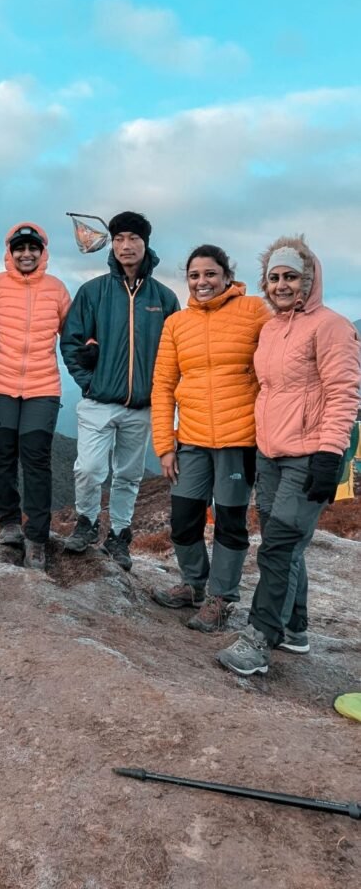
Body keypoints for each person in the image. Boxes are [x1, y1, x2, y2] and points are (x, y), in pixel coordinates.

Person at [218, 236, 360, 675]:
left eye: (291, 277)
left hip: (311, 453)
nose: (282, 285)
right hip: (270, 453)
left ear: (309, 280)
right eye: (275, 277)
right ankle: (294, 630)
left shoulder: (332, 326)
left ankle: (259, 640)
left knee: (277, 548)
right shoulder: (271, 327)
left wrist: (329, 453)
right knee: (287, 545)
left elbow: (344, 394)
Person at [150, 245, 271, 630]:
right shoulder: (176, 324)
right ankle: (193, 584)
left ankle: (221, 598)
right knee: (183, 518)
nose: (202, 282)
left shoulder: (253, 311)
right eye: (195, 275)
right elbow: (163, 386)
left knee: (230, 521)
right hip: (193, 437)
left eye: (210, 274)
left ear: (226, 275)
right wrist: (165, 446)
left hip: (240, 439)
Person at [60, 211, 180, 569]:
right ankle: (87, 521)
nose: (126, 246)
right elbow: (70, 341)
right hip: (99, 401)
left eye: (133, 239)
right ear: (111, 245)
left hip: (143, 404)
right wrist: (89, 382)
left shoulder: (165, 298)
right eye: (119, 240)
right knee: (89, 468)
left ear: (146, 244)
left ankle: (120, 536)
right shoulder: (92, 292)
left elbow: (176, 350)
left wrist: (163, 394)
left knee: (128, 474)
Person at [0, 223, 71, 570]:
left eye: (33, 248)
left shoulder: (57, 289)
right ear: (10, 251)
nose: (26, 254)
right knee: (2, 456)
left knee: (36, 459)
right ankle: (9, 525)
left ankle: (37, 537)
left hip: (43, 387)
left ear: (43, 251)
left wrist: (89, 350)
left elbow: (72, 333)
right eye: (20, 248)